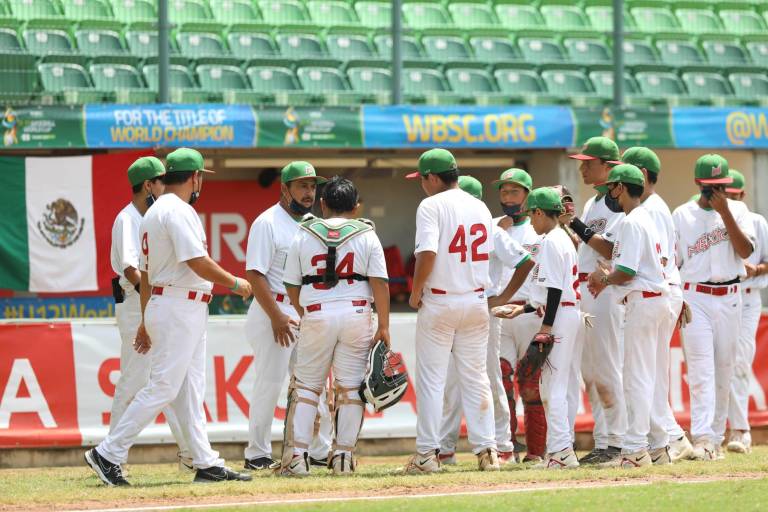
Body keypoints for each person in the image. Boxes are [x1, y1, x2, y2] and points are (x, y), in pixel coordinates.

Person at [85, 148, 254, 485]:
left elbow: (146, 276)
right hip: (179, 304)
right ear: (195, 177)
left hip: (173, 302)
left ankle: (205, 462)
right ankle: (108, 452)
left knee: (190, 389)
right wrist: (235, 283)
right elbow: (197, 261)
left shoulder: (154, 212)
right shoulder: (177, 210)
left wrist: (147, 319)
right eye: (200, 177)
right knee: (163, 386)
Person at [279, 176, 390, 476]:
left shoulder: (304, 232)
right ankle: (342, 458)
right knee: (351, 388)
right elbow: (380, 282)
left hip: (316, 310)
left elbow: (291, 283)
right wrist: (384, 324)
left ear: (323, 204)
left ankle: (297, 459)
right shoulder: (367, 233)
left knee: (306, 387)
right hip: (357, 313)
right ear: (356, 207)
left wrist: (306, 312)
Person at [404, 148, 499, 473]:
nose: (422, 185)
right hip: (475, 300)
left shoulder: (431, 205)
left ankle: (427, 455)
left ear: (432, 177)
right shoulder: (480, 206)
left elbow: (427, 254)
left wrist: (416, 291)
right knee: (476, 378)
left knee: (432, 381)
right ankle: (487, 450)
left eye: (422, 179)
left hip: (442, 301)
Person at [439, 175, 535, 465]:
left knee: (491, 376)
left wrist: (502, 296)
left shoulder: (490, 228)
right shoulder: (449, 226)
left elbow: (524, 261)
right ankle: (444, 448)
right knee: (452, 381)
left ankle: (503, 445)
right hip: (457, 306)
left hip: (486, 306)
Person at [243, 161, 333, 470]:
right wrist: (276, 317)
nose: (310, 192)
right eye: (302, 186)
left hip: (302, 310)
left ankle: (320, 451)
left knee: (312, 382)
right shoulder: (267, 222)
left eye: (312, 186)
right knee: (269, 383)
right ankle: (256, 454)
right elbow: (255, 276)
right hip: (272, 309)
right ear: (285, 188)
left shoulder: (312, 223)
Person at [108, 156, 192, 471]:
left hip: (152, 303)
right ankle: (111, 457)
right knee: (133, 381)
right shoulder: (128, 218)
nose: (166, 185)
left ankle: (189, 453)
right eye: (160, 180)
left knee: (167, 381)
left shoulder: (154, 216)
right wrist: (154, 302)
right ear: (148, 185)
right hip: (136, 304)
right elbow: (131, 270)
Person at [587, 164, 672, 468]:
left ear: (621, 188)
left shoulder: (633, 222)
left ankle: (635, 449)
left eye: (612, 187)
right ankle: (659, 445)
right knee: (648, 377)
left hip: (644, 300)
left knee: (636, 378)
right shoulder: (641, 218)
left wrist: (604, 279)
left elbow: (626, 272)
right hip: (653, 299)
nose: (609, 193)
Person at [673, 154, 755, 460]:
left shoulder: (738, 210)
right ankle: (704, 438)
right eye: (711, 186)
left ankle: (716, 437)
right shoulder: (681, 214)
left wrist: (726, 214)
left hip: (731, 295)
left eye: (721, 185)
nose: (717, 192)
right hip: (695, 296)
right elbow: (674, 261)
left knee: (725, 370)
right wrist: (676, 298)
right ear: (698, 183)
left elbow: (746, 249)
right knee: (700, 370)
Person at [497, 187, 581, 469]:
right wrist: (522, 309)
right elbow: (548, 294)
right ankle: (563, 449)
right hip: (565, 312)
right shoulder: (559, 238)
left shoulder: (552, 241)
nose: (531, 221)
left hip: (560, 315)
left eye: (533, 214)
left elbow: (555, 290)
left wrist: (545, 327)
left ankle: (560, 452)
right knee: (555, 386)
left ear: (541, 212)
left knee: (551, 389)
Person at [620, 147, 694, 462]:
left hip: (657, 290)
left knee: (646, 372)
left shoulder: (652, 209)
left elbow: (659, 260)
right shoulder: (648, 207)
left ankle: (669, 437)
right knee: (650, 371)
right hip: (664, 290)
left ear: (644, 175)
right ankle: (666, 438)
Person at [566, 137, 626, 465]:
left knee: (607, 367)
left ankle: (619, 443)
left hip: (606, 291)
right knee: (591, 369)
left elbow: (611, 250)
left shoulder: (618, 202)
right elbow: (590, 245)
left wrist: (573, 224)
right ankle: (605, 441)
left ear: (608, 166)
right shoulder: (594, 203)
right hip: (586, 290)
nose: (582, 167)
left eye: (589, 163)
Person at [493, 169, 547, 462]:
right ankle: (506, 447)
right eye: (504, 192)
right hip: (500, 311)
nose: (508, 197)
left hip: (529, 310)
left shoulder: (538, 228)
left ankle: (537, 452)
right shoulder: (491, 225)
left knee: (530, 383)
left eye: (514, 192)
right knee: (501, 381)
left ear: (527, 195)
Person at [725, 170, 768, 454]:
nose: (730, 199)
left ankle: (741, 431)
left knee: (740, 360)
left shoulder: (756, 221)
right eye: (725, 195)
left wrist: (756, 269)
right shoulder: (714, 220)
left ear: (743, 195)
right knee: (721, 363)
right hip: (721, 296)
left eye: (734, 195)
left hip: (749, 295)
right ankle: (722, 430)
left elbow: (767, 261)